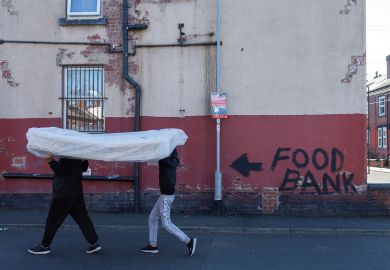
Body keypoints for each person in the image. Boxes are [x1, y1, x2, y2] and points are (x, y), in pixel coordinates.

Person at [28, 156, 101, 255]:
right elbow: (84, 168)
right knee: (83, 219)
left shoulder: (67, 154)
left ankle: (44, 246)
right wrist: (84, 158)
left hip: (63, 194)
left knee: (52, 221)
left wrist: (50, 161)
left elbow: (61, 171)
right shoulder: (78, 154)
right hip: (77, 192)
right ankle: (94, 243)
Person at [140, 148, 197, 256]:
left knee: (166, 223)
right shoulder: (170, 158)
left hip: (166, 195)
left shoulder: (166, 158)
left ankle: (188, 241)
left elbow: (165, 161)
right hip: (164, 195)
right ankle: (153, 246)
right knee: (152, 218)